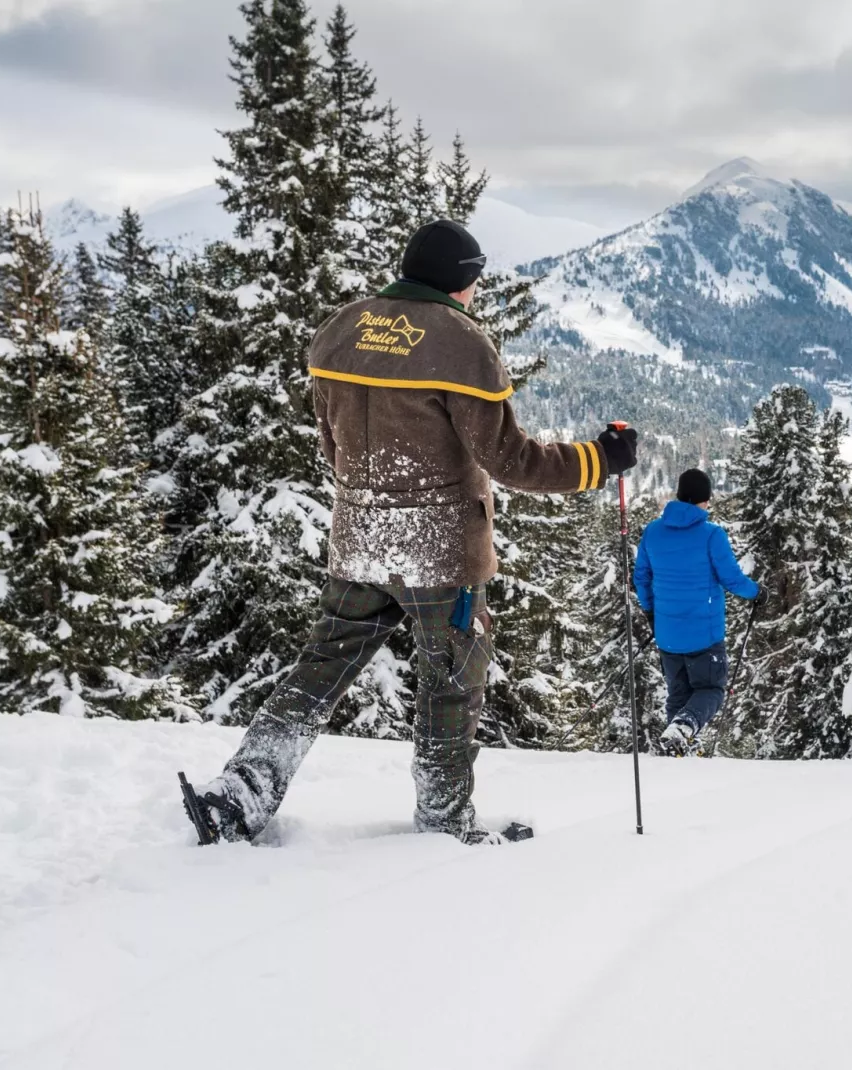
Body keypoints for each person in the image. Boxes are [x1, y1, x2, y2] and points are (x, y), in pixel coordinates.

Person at [181, 219, 639, 845]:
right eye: (475, 279)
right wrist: (599, 460)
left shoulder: (344, 329)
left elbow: (331, 445)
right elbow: (511, 461)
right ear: (462, 280)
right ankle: (445, 829)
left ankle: (241, 795)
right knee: (449, 686)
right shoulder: (458, 344)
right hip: (440, 553)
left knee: (319, 671)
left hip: (359, 541)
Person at [632, 469, 759, 754]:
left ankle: (678, 749)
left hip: (667, 635)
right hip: (704, 635)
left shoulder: (653, 531)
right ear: (703, 500)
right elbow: (732, 579)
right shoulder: (712, 535)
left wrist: (651, 612)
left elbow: (641, 578)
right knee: (711, 690)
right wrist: (758, 593)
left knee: (679, 694)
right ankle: (685, 729)